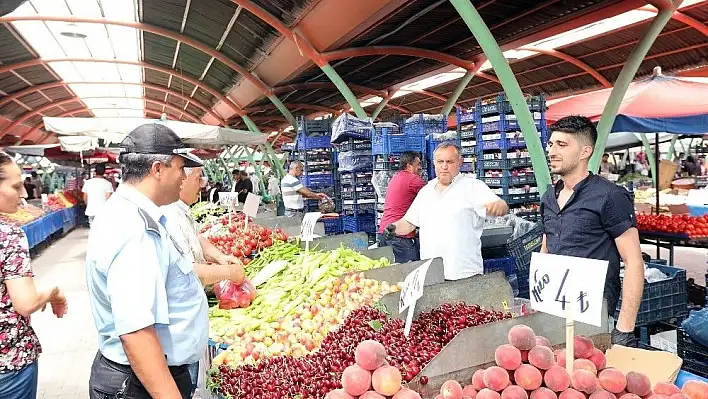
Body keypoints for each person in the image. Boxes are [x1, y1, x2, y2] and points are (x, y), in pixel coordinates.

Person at [85, 123, 208, 399]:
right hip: (139, 384)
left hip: (139, 377)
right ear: (157, 169)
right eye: (180, 167)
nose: (184, 177)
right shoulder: (134, 229)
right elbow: (137, 333)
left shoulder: (130, 213)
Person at [540, 115, 644, 347]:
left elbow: (634, 261)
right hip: (554, 310)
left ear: (585, 151)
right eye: (551, 144)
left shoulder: (610, 196)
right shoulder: (549, 197)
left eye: (562, 145)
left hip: (593, 316)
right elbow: (546, 248)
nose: (552, 151)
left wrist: (624, 328)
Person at [161, 167, 245, 398]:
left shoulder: (180, 211)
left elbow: (196, 236)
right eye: (198, 178)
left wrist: (219, 256)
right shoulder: (169, 214)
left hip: (188, 321)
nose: (202, 185)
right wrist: (228, 272)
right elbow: (187, 271)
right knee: (184, 381)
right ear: (182, 179)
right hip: (179, 327)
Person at [384, 143, 508, 280]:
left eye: (449, 162)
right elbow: (410, 223)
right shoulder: (426, 191)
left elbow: (498, 205)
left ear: (459, 163)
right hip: (432, 276)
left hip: (464, 275)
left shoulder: (473, 187)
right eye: (440, 162)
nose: (444, 166)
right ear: (434, 164)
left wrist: (500, 205)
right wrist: (393, 228)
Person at [0, 151, 68, 399]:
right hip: (9, 366)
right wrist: (53, 292)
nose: (24, 194)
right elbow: (26, 303)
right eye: (16, 186)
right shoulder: (8, 235)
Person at [377, 151, 425, 263]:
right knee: (409, 271)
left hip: (384, 232)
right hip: (400, 235)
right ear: (409, 165)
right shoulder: (414, 180)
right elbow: (431, 199)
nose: (420, 168)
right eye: (418, 164)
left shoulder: (395, 177)